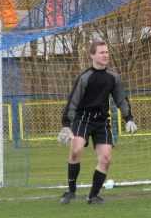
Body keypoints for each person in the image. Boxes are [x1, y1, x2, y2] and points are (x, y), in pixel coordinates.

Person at [58, 40, 138, 205]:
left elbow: (121, 99)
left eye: (107, 52)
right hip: (83, 119)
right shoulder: (85, 77)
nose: (105, 55)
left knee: (106, 158)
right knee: (76, 150)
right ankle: (71, 191)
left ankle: (92, 196)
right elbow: (72, 102)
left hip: (101, 121)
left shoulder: (113, 77)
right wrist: (66, 125)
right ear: (92, 55)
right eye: (101, 52)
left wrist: (128, 119)